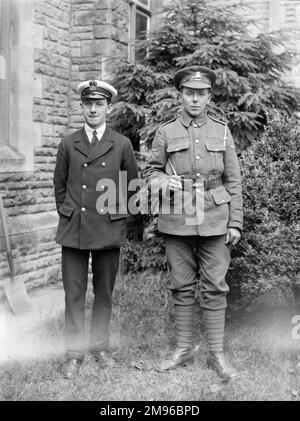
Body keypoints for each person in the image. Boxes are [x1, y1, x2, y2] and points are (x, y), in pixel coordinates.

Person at [144, 66, 243, 380]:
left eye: (201, 93)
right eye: (189, 93)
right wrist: (162, 182)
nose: (195, 99)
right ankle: (183, 349)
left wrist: (236, 223)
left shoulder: (222, 130)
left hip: (215, 218)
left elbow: (234, 181)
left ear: (209, 96)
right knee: (182, 285)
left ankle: (216, 354)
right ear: (181, 95)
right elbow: (151, 172)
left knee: (215, 286)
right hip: (177, 220)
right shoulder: (165, 131)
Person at [54, 79, 138, 379]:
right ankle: (74, 355)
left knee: (104, 293)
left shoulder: (122, 144)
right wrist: (69, 212)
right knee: (73, 295)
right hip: (74, 228)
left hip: (107, 229)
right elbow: (60, 186)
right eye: (88, 104)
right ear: (81, 107)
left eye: (98, 104)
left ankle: (100, 348)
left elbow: (131, 187)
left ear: (108, 108)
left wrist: (116, 218)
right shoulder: (68, 143)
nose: (93, 109)